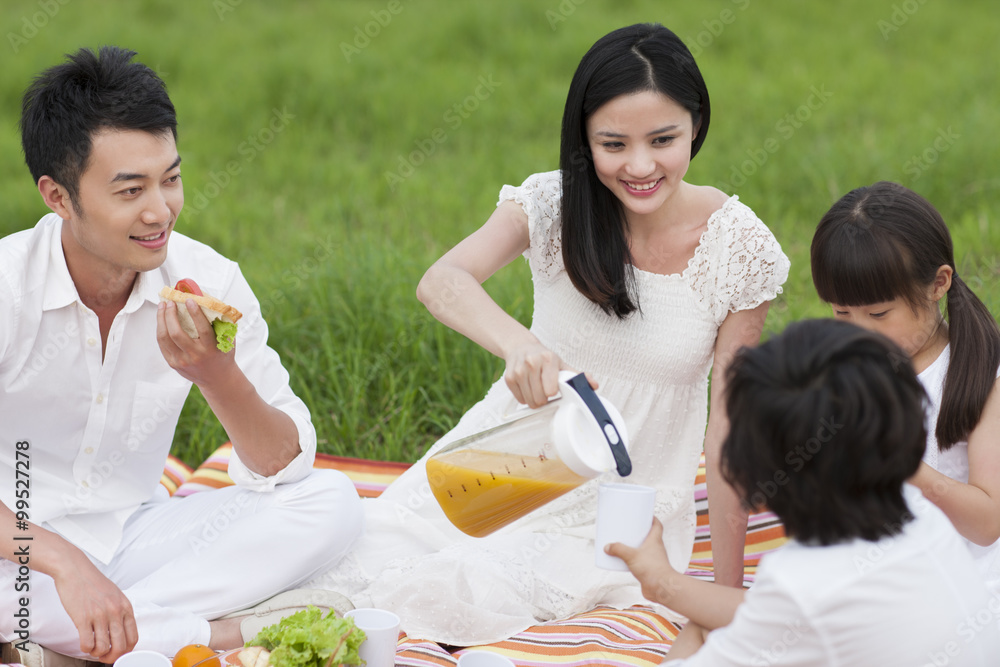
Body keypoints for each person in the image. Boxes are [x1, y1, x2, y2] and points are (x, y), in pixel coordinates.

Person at [305, 23, 789, 644]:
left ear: (696, 124)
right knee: (352, 559)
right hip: (502, 462)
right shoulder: (555, 204)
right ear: (584, 140)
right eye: (614, 144)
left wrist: (722, 601)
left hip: (621, 508)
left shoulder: (737, 247)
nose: (640, 166)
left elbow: (728, 429)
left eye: (663, 140)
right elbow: (442, 281)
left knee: (452, 589)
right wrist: (520, 345)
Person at [0, 47, 362, 662]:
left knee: (332, 506)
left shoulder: (208, 283)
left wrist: (215, 373)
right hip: (17, 548)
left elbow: (282, 464)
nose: (158, 211)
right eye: (130, 190)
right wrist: (60, 561)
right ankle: (212, 633)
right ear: (58, 197)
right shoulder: (8, 286)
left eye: (170, 179)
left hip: (137, 536)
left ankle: (77, 638)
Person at [609, 319, 1000, 664]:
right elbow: (788, 616)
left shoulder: (799, 582)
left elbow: (785, 611)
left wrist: (672, 599)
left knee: (698, 630)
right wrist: (663, 582)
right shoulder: (923, 517)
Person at [810, 181, 1000, 597]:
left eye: (879, 313)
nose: (858, 331)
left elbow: (988, 524)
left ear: (938, 283)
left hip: (964, 585)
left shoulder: (982, 376)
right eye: (841, 312)